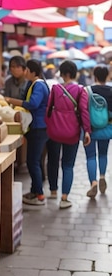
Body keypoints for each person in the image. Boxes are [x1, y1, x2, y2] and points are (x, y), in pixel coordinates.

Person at [46, 60, 92, 209]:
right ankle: (64, 198)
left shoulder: (55, 88)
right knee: (67, 165)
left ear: (63, 73)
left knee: (53, 161)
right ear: (73, 73)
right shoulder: (80, 90)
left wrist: (49, 125)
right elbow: (84, 112)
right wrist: (87, 131)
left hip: (55, 131)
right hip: (72, 132)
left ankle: (53, 191)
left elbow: (48, 110)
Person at [4, 60, 50, 206]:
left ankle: (40, 195)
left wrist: (12, 101)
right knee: (33, 161)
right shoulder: (39, 84)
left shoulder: (38, 85)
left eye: (26, 70)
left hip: (39, 128)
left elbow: (33, 104)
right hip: (38, 127)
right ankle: (34, 191)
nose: (25, 73)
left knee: (33, 162)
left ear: (31, 71)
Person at [84, 66, 112, 198]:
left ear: (94, 76)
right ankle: (102, 176)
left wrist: (85, 129)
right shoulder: (111, 91)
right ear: (107, 76)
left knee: (90, 156)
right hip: (106, 128)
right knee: (103, 154)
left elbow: (83, 111)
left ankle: (93, 183)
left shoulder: (88, 91)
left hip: (91, 129)